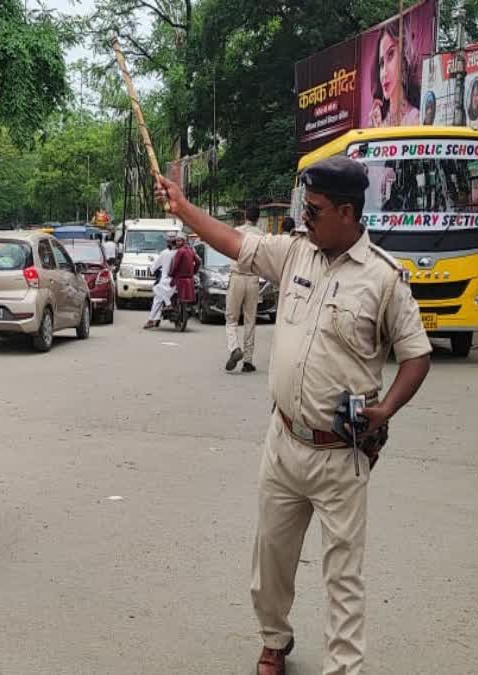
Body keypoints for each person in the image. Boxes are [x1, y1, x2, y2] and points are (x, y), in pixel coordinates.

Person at [156, 156, 432, 675]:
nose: (305, 216)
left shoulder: (384, 280)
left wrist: (386, 409)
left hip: (341, 456)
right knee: (271, 561)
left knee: (344, 575)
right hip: (283, 443)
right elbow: (235, 242)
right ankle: (274, 640)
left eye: (317, 209)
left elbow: (417, 354)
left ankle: (342, 668)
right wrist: (184, 207)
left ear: (348, 213)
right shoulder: (295, 255)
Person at [225, 204, 263, 372]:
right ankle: (248, 361)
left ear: (245, 215)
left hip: (237, 277)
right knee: (250, 320)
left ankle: (234, 348)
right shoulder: (262, 236)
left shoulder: (237, 231)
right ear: (258, 218)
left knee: (231, 318)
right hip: (253, 279)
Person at [367, 21, 421, 127]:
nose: (384, 73)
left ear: (404, 57)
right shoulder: (376, 122)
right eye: (382, 63)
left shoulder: (414, 119)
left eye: (391, 55)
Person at [144, 235, 179, 329]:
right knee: (159, 296)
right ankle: (155, 319)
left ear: (168, 243)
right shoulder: (180, 252)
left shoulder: (164, 253)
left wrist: (151, 269)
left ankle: (152, 318)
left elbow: (155, 265)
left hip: (166, 281)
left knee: (157, 294)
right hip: (178, 281)